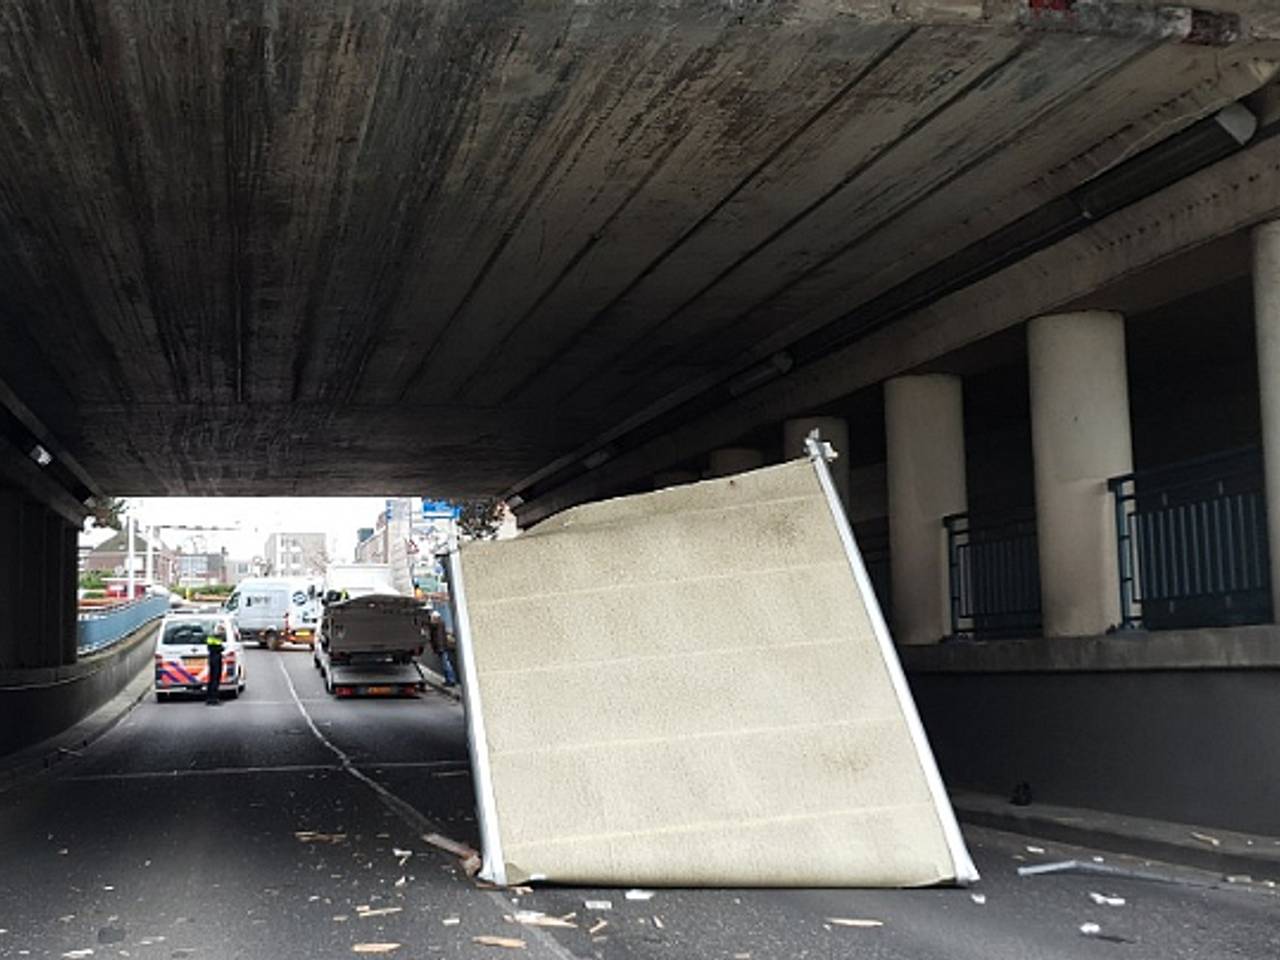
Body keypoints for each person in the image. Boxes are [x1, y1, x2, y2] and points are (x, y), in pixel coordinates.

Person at [426, 609, 458, 686]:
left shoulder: (438, 625)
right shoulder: (440, 624)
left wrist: (439, 648)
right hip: (442, 647)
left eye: (432, 618)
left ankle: (451, 680)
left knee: (446, 664)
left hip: (441, 648)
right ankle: (449, 679)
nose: (431, 619)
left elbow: (439, 638)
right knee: (446, 664)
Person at [205, 621, 227, 705]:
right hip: (216, 658)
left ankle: (210, 698)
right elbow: (219, 648)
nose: (222, 632)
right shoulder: (215, 638)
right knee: (215, 679)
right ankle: (213, 699)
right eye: (221, 630)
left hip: (212, 658)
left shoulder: (211, 637)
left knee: (212, 679)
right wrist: (221, 648)